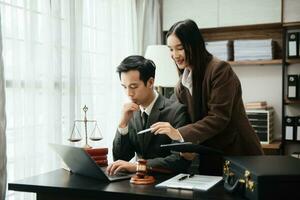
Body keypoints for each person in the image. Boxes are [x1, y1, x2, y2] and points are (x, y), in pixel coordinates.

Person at [150, 19, 264, 175]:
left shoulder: (219, 70)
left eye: (180, 48)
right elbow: (184, 118)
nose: (174, 55)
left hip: (239, 154)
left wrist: (179, 134)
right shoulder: (181, 85)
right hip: (211, 156)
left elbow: (218, 118)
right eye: (171, 49)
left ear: (194, 45)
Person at [107, 55, 191, 175]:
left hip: (167, 184)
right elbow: (121, 158)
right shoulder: (131, 112)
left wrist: (137, 166)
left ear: (150, 82)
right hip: (136, 184)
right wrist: (122, 124)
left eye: (133, 87)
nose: (129, 93)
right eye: (124, 87)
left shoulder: (177, 111)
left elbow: (179, 160)